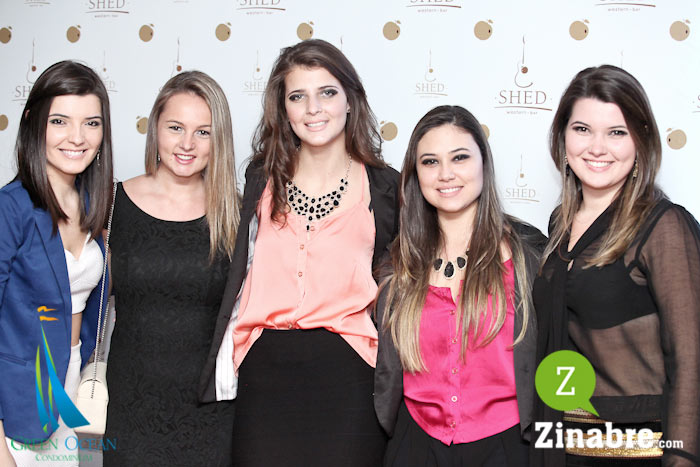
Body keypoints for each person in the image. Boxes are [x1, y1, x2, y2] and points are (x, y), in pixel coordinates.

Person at [198, 39, 399, 466]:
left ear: (350, 100)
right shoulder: (261, 178)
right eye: (297, 96)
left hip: (349, 375)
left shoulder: (385, 187)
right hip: (265, 373)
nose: (313, 109)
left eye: (327, 92)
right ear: (283, 108)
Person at [532, 65, 700, 466]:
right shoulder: (559, 225)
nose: (597, 147)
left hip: (640, 452)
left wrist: (682, 459)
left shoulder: (662, 226)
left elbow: (691, 358)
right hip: (564, 447)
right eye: (582, 129)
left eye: (616, 132)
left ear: (641, 140)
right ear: (562, 136)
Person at [374, 105, 546, 467]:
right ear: (415, 173)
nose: (445, 174)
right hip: (415, 445)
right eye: (430, 162)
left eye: (460, 157)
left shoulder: (530, 255)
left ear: (484, 162)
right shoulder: (397, 263)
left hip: (509, 447)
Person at [103, 71, 239, 466]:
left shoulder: (237, 213)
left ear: (219, 140)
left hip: (212, 413)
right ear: (155, 128)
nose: (187, 144)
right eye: (175, 127)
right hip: (130, 407)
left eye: (203, 132)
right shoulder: (111, 204)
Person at [0, 60, 114, 467]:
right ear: (33, 122)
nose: (77, 137)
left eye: (91, 123)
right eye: (60, 121)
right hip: (16, 400)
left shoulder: (96, 205)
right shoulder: (10, 209)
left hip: (71, 387)